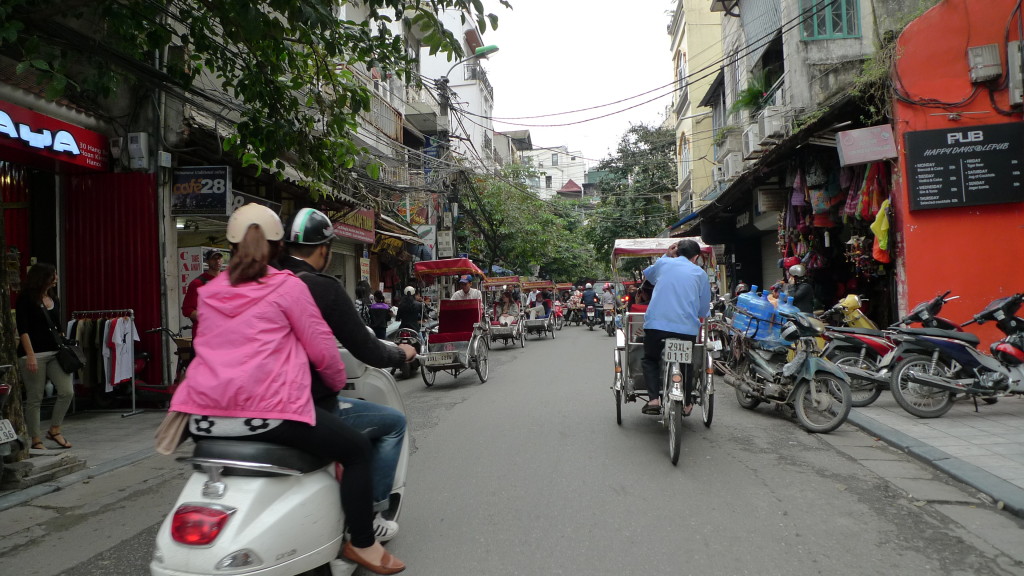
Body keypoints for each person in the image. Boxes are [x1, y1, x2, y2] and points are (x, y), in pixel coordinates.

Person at [169, 204, 405, 574]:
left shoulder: (210, 292)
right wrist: (331, 385)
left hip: (203, 422)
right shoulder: (288, 287)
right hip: (270, 418)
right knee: (357, 449)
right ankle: (363, 543)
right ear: (278, 246)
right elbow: (325, 355)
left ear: (229, 246)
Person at [278, 208, 415, 542]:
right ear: (324, 249)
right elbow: (361, 349)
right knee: (392, 423)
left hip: (237, 407)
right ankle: (369, 519)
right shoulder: (320, 288)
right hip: (302, 406)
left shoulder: (259, 283)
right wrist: (402, 353)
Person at [640, 239, 711, 417]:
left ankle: (654, 399)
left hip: (656, 326)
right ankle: (687, 404)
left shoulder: (664, 263)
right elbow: (703, 309)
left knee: (650, 359)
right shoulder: (700, 274)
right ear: (696, 257)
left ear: (676, 252)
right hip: (686, 329)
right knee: (686, 364)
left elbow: (648, 276)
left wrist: (666, 254)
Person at [16, 263, 73, 450]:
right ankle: (35, 438)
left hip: (55, 352)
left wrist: (64, 342)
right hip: (33, 354)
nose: (56, 278)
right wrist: (30, 355)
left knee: (67, 391)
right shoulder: (25, 298)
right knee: (35, 397)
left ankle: (54, 430)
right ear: (42, 278)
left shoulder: (52, 297)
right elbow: (23, 329)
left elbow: (57, 325)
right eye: (53, 275)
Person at [180, 250, 223, 335]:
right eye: (213, 258)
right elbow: (187, 310)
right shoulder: (197, 283)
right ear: (207, 261)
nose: (217, 261)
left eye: (219, 258)